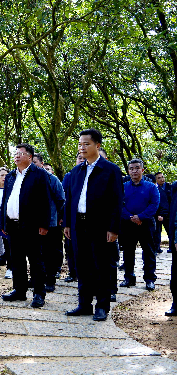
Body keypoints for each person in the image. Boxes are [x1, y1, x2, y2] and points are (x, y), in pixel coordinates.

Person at [64, 129, 123, 322]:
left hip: (100, 226)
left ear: (97, 145)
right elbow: (70, 199)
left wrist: (113, 228)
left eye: (86, 144)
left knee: (102, 266)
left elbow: (116, 201)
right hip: (78, 225)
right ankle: (84, 304)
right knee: (82, 265)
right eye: (80, 144)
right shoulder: (76, 171)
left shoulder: (110, 170)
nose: (82, 148)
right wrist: (67, 224)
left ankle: (102, 306)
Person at [0, 143, 51, 308]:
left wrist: (44, 224)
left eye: (21, 153)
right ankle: (19, 291)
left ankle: (38, 294)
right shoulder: (10, 176)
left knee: (35, 260)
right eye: (16, 153)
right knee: (16, 260)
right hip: (13, 225)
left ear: (30, 157)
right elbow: (5, 200)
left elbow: (45, 201)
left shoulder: (39, 175)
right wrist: (3, 221)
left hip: (32, 225)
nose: (17, 156)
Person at [119, 159, 160, 291]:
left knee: (148, 251)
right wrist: (130, 217)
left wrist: (140, 216)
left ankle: (149, 279)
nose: (134, 171)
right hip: (128, 223)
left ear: (142, 170)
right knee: (128, 251)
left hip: (146, 223)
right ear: (128, 171)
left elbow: (154, 204)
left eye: (137, 168)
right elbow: (119, 204)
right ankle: (129, 277)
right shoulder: (124, 187)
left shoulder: (151, 187)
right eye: (131, 168)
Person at [33, 154, 65, 292]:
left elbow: (61, 200)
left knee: (49, 253)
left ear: (41, 163)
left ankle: (50, 280)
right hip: (31, 223)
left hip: (51, 222)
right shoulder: (26, 178)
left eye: (35, 162)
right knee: (35, 253)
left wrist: (60, 217)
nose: (32, 165)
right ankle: (35, 278)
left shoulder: (52, 179)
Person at [61, 153, 85, 283]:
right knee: (70, 248)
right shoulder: (70, 176)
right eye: (79, 158)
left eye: (84, 158)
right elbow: (65, 199)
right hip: (72, 219)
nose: (82, 160)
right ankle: (72, 272)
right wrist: (66, 222)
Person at [154, 172, 171, 254]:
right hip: (157, 214)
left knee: (170, 231)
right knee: (157, 231)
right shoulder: (155, 188)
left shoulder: (169, 187)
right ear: (156, 180)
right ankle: (157, 248)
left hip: (168, 213)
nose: (162, 179)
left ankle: (172, 247)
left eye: (163, 177)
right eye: (159, 178)